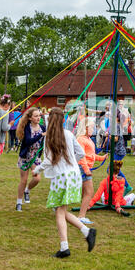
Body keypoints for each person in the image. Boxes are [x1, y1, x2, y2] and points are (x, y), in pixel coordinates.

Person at [32, 107, 96, 258]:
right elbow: (80, 153)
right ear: (62, 120)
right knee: (60, 210)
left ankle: (64, 248)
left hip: (62, 177)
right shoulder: (68, 134)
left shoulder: (49, 137)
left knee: (59, 211)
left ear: (49, 120)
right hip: (74, 176)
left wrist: (37, 170)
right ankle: (86, 232)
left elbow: (48, 160)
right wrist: (70, 159)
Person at [76, 117, 108, 224]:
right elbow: (81, 156)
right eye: (92, 127)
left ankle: (80, 214)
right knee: (89, 192)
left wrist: (102, 158)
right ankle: (81, 216)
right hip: (83, 168)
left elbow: (91, 155)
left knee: (85, 192)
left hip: (86, 168)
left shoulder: (89, 139)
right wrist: (86, 169)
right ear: (85, 127)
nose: (93, 129)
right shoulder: (81, 139)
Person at [15, 107, 46, 211]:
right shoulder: (27, 128)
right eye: (36, 116)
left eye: (39, 115)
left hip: (36, 156)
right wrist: (40, 135)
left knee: (37, 178)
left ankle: (27, 191)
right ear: (30, 118)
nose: (38, 118)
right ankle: (19, 203)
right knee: (23, 180)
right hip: (25, 156)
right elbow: (28, 141)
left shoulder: (43, 127)